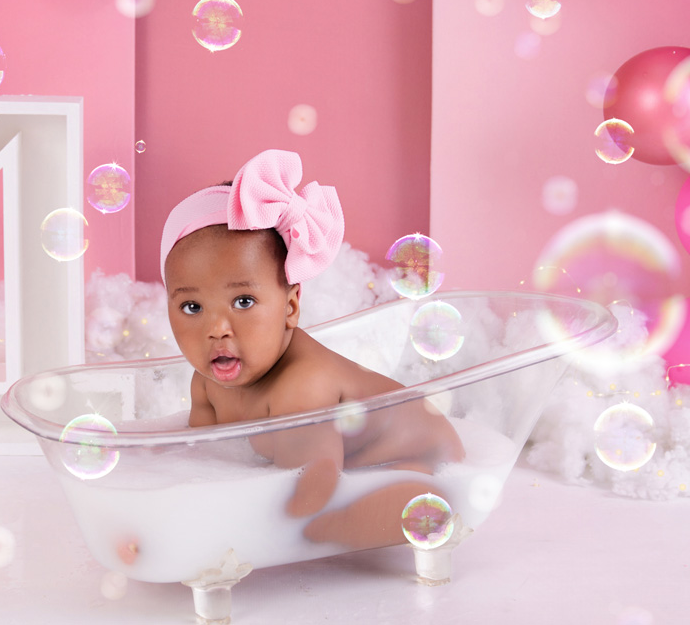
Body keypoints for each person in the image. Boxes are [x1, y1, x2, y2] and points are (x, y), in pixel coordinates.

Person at [160, 149, 464, 549]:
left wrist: (250, 527)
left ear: (290, 306)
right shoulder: (206, 383)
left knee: (320, 525)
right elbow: (199, 458)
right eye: (192, 307)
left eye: (244, 302)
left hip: (425, 460)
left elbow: (311, 489)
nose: (217, 329)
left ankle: (440, 510)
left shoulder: (301, 389)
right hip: (352, 466)